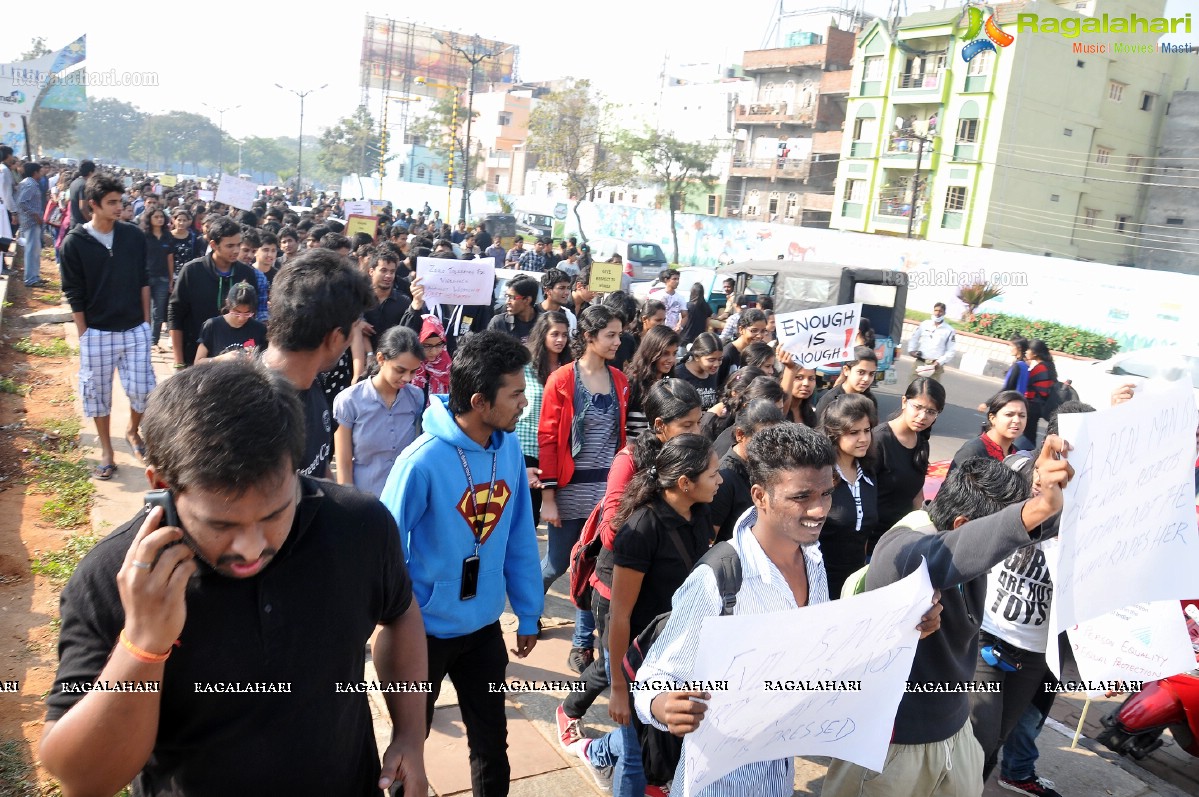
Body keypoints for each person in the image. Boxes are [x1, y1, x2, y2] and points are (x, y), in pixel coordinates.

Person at [40, 359, 428, 796]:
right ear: (161, 484)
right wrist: (143, 645)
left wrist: (410, 736)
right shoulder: (113, 576)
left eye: (274, 515)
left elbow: (400, 611)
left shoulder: (359, 526)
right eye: (221, 525)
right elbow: (84, 779)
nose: (250, 548)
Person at [632, 423, 945, 795]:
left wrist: (906, 626)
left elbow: (824, 651)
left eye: (827, 494)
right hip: (715, 782)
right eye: (801, 497)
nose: (819, 509)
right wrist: (663, 704)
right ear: (760, 496)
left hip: (778, 775)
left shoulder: (813, 559)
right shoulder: (719, 577)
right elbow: (652, 679)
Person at [822, 443, 1073, 797]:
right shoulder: (903, 549)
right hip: (894, 745)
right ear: (963, 525)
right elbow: (942, 553)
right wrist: (1033, 511)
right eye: (1000, 527)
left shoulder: (962, 543)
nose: (1010, 545)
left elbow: (1047, 525)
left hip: (954, 733)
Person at [381, 331, 543, 797]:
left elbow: (518, 535)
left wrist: (529, 611)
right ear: (479, 399)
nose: (522, 406)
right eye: (515, 396)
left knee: (492, 741)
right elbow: (385, 548)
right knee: (410, 744)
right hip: (423, 636)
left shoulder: (508, 447)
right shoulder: (420, 462)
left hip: (483, 631)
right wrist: (394, 619)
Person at [572, 434, 721, 797]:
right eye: (713, 474)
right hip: (638, 654)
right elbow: (619, 617)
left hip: (675, 647)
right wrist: (619, 691)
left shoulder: (700, 514)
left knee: (656, 745)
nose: (721, 480)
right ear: (685, 483)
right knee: (639, 760)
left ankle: (598, 751)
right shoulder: (641, 529)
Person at [540, 305, 628, 670]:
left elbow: (620, 439)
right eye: (610, 335)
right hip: (568, 489)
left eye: (619, 335)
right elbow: (548, 438)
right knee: (559, 563)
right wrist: (548, 497)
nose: (617, 341)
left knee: (594, 568)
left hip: (605, 492)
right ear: (589, 337)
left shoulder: (621, 381)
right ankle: (528, 609)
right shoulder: (562, 380)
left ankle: (581, 644)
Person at [60, 172, 154, 479]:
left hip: (134, 329)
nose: (119, 207)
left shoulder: (133, 236)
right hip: (97, 332)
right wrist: (84, 333)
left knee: (144, 391)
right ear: (93, 205)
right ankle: (106, 450)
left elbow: (143, 280)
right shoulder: (75, 243)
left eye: (120, 201)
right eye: (111, 202)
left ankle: (132, 430)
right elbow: (74, 293)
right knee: (97, 395)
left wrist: (146, 324)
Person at [262, 248, 376, 479]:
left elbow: (319, 468)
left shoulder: (310, 384)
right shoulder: (249, 413)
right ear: (335, 338)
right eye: (354, 329)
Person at [333, 326, 426, 497]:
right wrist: (350, 506)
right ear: (381, 358)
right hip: (365, 501)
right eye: (400, 370)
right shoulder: (349, 401)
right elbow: (344, 465)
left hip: (405, 497)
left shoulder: (416, 398)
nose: (407, 378)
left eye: (413, 372)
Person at [168, 217, 261, 368]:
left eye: (238, 245)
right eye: (230, 246)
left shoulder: (247, 274)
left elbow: (250, 315)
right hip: (194, 358)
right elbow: (175, 315)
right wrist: (179, 362)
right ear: (213, 245)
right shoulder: (192, 271)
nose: (236, 250)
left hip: (233, 361)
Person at [516, 311, 573, 526]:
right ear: (543, 335)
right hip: (527, 448)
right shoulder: (525, 368)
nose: (560, 340)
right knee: (526, 516)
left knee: (557, 515)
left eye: (564, 335)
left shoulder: (569, 369)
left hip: (557, 450)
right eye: (555, 334)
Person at [819, 393, 879, 597]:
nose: (863, 439)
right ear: (835, 433)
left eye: (867, 430)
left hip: (853, 586)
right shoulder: (819, 476)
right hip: (818, 584)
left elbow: (862, 536)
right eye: (854, 432)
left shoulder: (869, 474)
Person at [873, 377, 945, 544]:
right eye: (918, 407)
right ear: (904, 402)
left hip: (902, 538)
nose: (922, 416)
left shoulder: (921, 443)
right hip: (873, 540)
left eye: (931, 412)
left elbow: (917, 494)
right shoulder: (879, 440)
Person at [710, 399, 785, 541]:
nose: (771, 446)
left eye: (775, 438)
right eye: (762, 438)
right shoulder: (724, 478)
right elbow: (709, 540)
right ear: (740, 435)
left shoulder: (766, 465)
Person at [950, 390, 1029, 475]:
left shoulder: (1018, 455)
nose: (1017, 420)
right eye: (1009, 414)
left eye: (1022, 416)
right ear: (992, 418)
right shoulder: (973, 452)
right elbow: (952, 486)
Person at [624, 325, 681, 439]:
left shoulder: (672, 384)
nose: (671, 360)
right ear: (651, 352)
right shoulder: (632, 382)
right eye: (665, 353)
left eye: (674, 353)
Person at [195, 282, 267, 363]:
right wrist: (220, 359)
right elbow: (198, 362)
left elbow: (267, 362)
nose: (241, 318)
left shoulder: (260, 329)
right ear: (228, 304)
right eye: (237, 313)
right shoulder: (212, 326)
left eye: (247, 313)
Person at [139, 208, 174, 351]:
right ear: (150, 218)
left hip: (162, 278)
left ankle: (153, 341)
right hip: (145, 278)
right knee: (144, 311)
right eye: (156, 216)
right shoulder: (144, 236)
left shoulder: (168, 237)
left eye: (161, 217)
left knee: (158, 312)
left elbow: (170, 259)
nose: (159, 219)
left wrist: (171, 280)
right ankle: (142, 339)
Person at [814, 345, 879, 419]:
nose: (866, 379)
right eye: (861, 372)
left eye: (872, 374)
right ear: (846, 370)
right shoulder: (831, 400)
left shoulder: (870, 400)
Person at [906, 301, 957, 381]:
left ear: (944, 313)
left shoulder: (949, 330)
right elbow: (914, 338)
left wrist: (940, 362)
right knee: (912, 387)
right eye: (936, 310)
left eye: (940, 311)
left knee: (931, 391)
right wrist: (911, 350)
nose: (937, 313)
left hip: (934, 365)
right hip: (920, 362)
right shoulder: (925, 324)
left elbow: (951, 350)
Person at [673, 332, 723, 410]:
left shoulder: (712, 373)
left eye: (720, 359)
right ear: (696, 357)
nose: (716, 364)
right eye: (711, 360)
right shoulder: (679, 375)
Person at [717, 308, 767, 386]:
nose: (759, 335)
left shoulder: (760, 352)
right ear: (741, 329)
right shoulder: (727, 355)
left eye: (763, 331)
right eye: (754, 330)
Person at [488, 274, 542, 343]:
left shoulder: (545, 323)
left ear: (527, 300)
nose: (507, 302)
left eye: (512, 298)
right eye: (507, 296)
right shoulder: (499, 323)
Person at [17, 161, 45, 286]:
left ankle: (35, 276)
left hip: (31, 221)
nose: (41, 173)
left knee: (34, 250)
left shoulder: (29, 183)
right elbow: (22, 202)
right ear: (35, 173)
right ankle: (30, 279)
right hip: (32, 222)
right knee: (31, 250)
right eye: (40, 171)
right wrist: (35, 215)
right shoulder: (30, 184)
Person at [1023, 339, 1057, 446]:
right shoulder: (1049, 365)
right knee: (1030, 433)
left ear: (1036, 353)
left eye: (1028, 350)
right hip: (1039, 405)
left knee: (1028, 435)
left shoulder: (1040, 368)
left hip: (1033, 405)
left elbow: (1026, 381)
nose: (1026, 352)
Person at [539, 268, 577, 332]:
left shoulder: (570, 317)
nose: (567, 292)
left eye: (568, 288)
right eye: (562, 288)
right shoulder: (533, 313)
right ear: (547, 290)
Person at [679, 281, 712, 346]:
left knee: (682, 356)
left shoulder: (687, 306)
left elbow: (681, 322)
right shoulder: (706, 306)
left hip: (685, 338)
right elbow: (707, 325)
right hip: (699, 339)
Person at [67, 159, 96, 229]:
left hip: (74, 221)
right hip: (82, 225)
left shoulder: (74, 182)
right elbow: (83, 207)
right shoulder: (84, 185)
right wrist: (92, 222)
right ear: (90, 172)